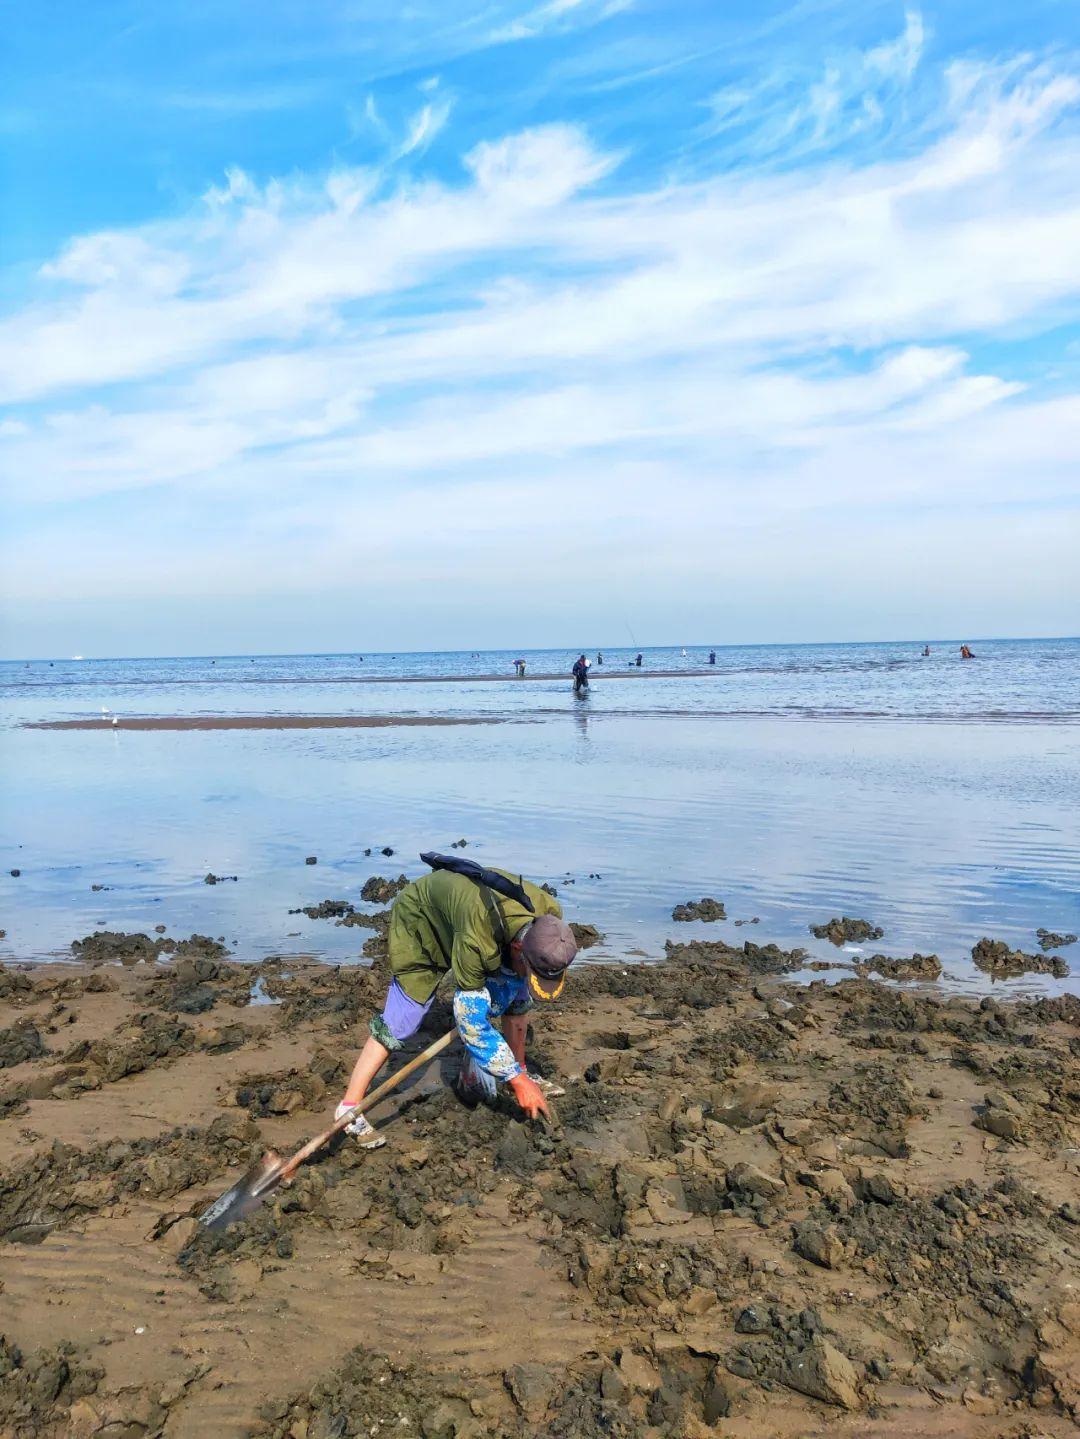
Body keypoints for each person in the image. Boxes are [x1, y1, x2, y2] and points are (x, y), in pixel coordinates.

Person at [337, 856, 577, 1147]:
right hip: (423, 917)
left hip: (474, 918)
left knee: (517, 990)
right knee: (405, 1016)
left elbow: (517, 979)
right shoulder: (477, 940)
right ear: (518, 946)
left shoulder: (550, 922)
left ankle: (520, 1068)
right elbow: (470, 1021)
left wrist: (517, 1074)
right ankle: (349, 1108)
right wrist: (516, 1082)